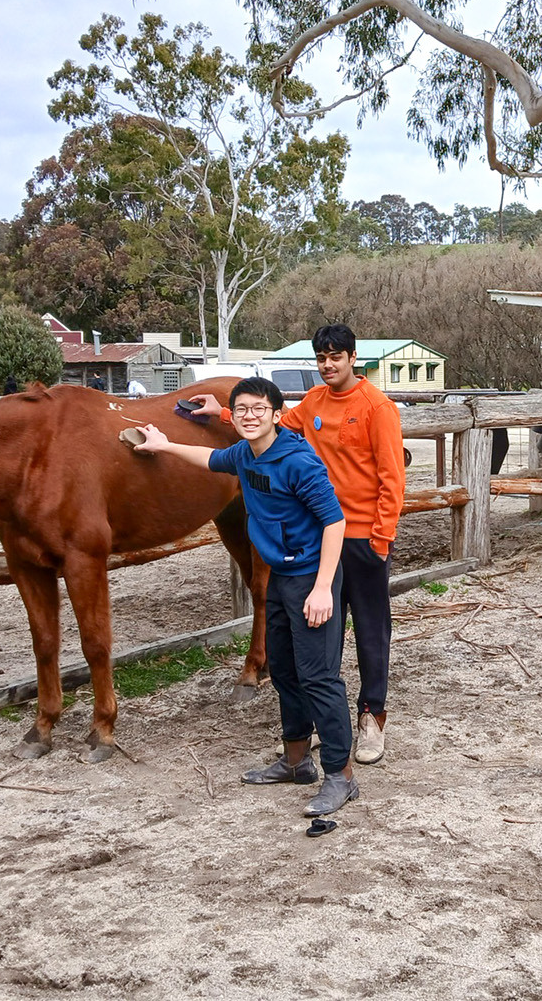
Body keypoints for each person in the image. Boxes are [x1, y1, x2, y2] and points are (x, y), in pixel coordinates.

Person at [133, 377, 358, 816]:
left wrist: (322, 590)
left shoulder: (298, 462)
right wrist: (164, 445)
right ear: (233, 416)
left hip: (312, 577)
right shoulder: (244, 453)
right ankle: (296, 762)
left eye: (258, 409)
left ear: (276, 415)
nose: (249, 416)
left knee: (319, 677)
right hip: (278, 580)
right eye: (241, 410)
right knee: (286, 673)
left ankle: (340, 775)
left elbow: (334, 523)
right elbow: (210, 457)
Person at [270, 323, 405, 765]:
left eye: (335, 357)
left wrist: (380, 540)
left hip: (363, 539)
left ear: (352, 357)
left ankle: (372, 718)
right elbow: (270, 425)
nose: (328, 365)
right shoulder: (312, 402)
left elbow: (392, 478)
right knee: (317, 633)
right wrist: (225, 413)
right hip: (318, 539)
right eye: (321, 358)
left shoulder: (377, 407)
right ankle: (317, 721)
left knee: (369, 631)